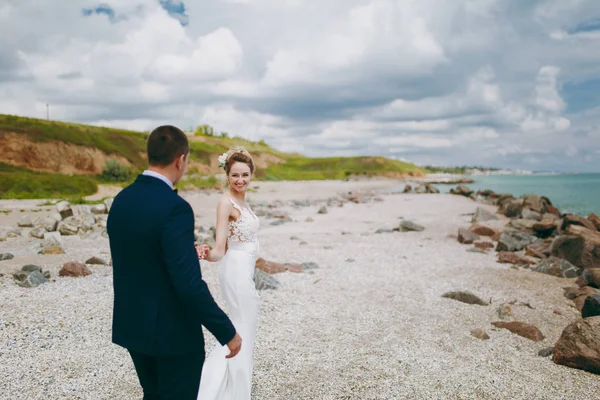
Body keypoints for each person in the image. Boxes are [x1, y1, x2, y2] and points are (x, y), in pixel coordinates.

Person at [107, 125, 242, 400]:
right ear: (180, 159)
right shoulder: (174, 208)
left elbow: (138, 256)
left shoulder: (121, 200)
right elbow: (189, 284)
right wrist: (226, 331)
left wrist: (181, 252)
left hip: (134, 326)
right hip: (172, 335)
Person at [196, 147, 261, 400]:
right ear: (227, 175)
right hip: (234, 271)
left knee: (243, 328)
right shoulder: (226, 203)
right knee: (239, 330)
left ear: (252, 174)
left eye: (245, 175)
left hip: (244, 271)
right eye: (235, 175)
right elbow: (219, 249)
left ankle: (235, 389)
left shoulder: (243, 200)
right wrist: (205, 253)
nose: (240, 180)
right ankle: (219, 391)